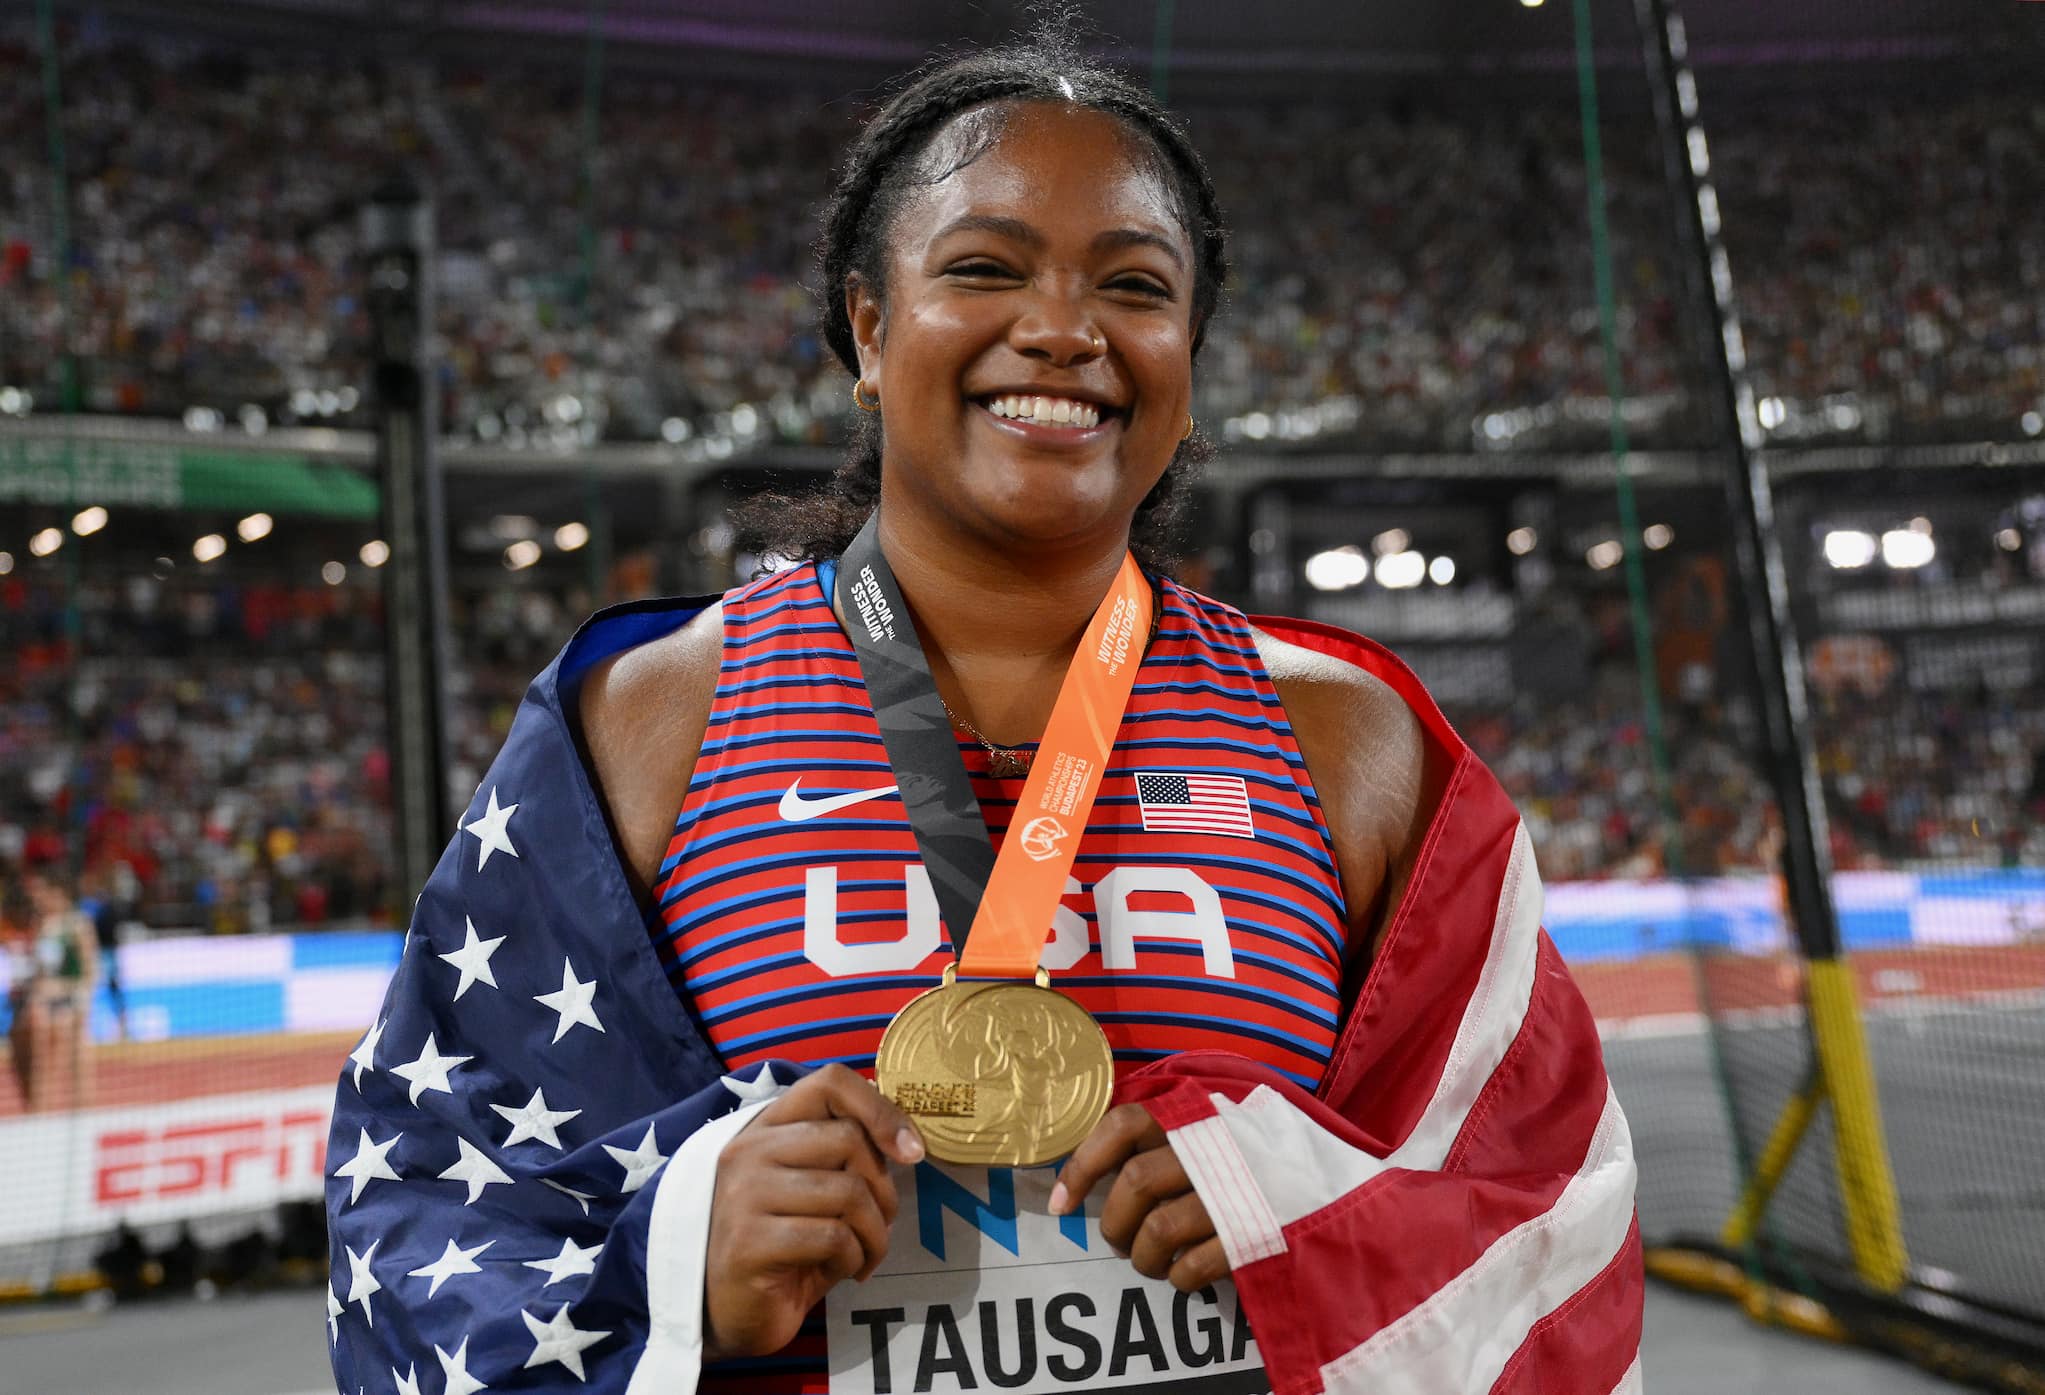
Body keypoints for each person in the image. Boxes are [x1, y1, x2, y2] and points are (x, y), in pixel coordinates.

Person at [326, 30, 1641, 1395]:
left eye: (1133, 285)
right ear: (869, 325)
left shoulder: (1350, 741)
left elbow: (1546, 1197)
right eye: (984, 267)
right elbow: (432, 1187)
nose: (1064, 327)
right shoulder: (654, 717)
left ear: (1186, 351)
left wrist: (1295, 1205)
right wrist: (680, 1250)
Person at [7, 864, 98, 1112]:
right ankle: (36, 1109)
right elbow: (40, 970)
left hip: (67, 1001)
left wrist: (65, 992)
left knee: (48, 1029)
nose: (36, 896)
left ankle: (79, 1110)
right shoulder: (40, 924)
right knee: (23, 1038)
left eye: (41, 891)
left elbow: (90, 973)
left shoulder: (77, 924)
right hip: (38, 999)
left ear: (57, 892)